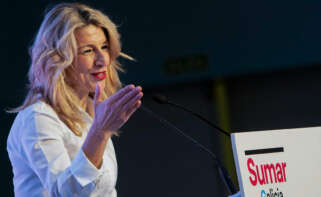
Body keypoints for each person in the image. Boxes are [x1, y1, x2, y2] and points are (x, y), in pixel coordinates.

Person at [7, 3, 143, 197]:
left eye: (104, 47)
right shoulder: (38, 118)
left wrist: (99, 130)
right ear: (58, 58)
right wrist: (100, 132)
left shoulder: (89, 112)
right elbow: (66, 193)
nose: (102, 60)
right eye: (88, 51)